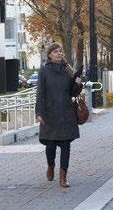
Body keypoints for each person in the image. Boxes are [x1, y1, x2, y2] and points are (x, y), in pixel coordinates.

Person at [35, 43, 82, 188]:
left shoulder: (68, 70)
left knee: (66, 146)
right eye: (56, 51)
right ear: (49, 54)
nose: (59, 53)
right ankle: (51, 166)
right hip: (50, 114)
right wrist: (39, 112)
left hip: (66, 112)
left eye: (60, 51)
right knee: (50, 146)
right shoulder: (44, 71)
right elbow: (40, 93)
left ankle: (63, 178)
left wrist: (78, 84)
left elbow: (72, 93)